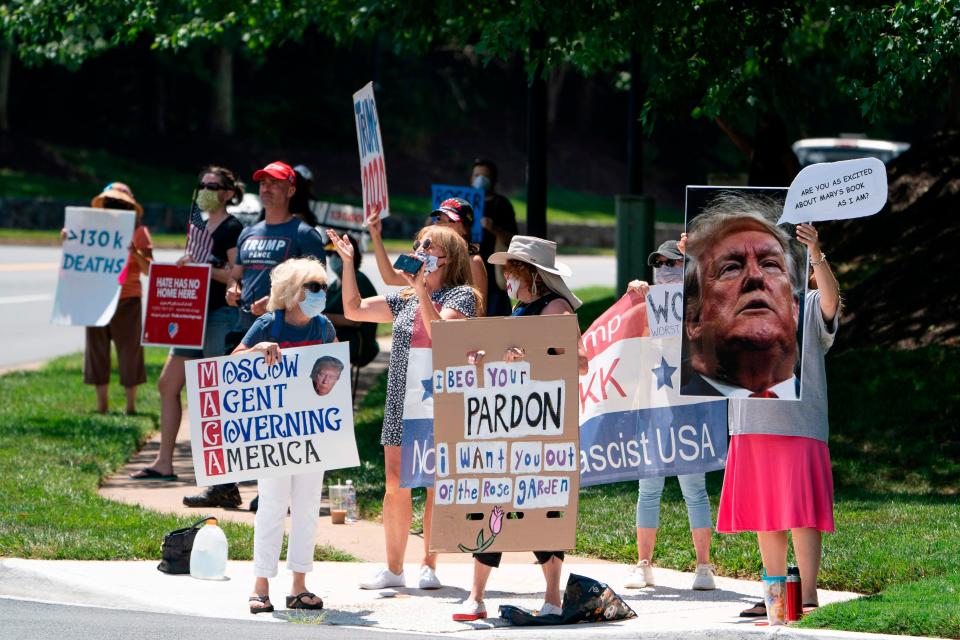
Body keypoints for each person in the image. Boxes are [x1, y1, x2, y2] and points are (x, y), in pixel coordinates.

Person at [326, 224, 479, 591]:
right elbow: (355, 308)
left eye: (429, 245)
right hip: (401, 399)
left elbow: (442, 332)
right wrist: (348, 264)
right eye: (418, 243)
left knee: (434, 484)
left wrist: (420, 290)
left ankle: (429, 563)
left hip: (443, 400)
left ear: (447, 258)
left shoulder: (463, 296)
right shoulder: (406, 299)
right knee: (395, 483)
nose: (421, 248)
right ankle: (394, 568)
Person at [453, 235, 589, 622]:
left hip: (542, 425)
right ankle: (475, 596)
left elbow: (579, 362)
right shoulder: (519, 309)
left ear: (532, 274)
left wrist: (531, 355)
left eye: (512, 271)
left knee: (541, 506)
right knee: (493, 502)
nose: (507, 279)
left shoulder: (556, 308)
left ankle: (552, 597)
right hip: (509, 421)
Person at [714, 220, 840, 617]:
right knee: (766, 511)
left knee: (802, 511)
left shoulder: (808, 303)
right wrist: (694, 260)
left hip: (799, 421)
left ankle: (807, 594)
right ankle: (775, 596)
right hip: (752, 421)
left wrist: (817, 253)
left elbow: (832, 303)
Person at [183, 160, 326, 509]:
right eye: (262, 183)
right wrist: (234, 287)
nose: (266, 189)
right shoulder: (249, 232)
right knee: (233, 413)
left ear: (291, 190)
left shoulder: (303, 234)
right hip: (243, 331)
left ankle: (272, 493)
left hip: (283, 337)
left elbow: (318, 286)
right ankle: (224, 487)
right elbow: (238, 273)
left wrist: (278, 303)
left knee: (277, 418)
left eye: (275, 184)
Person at [233, 257, 336, 614]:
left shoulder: (323, 328)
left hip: (312, 432)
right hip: (274, 435)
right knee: (272, 505)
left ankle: (299, 584)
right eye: (313, 287)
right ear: (292, 292)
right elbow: (234, 359)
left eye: (323, 287)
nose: (321, 294)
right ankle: (260, 585)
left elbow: (334, 367)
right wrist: (256, 351)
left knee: (307, 508)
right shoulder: (267, 324)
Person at [130, 166, 244, 480]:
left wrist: (206, 267)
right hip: (190, 315)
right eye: (202, 184)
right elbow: (198, 267)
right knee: (168, 384)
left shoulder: (233, 228)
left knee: (213, 392)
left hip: (219, 314)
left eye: (213, 185)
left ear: (228, 193)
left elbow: (236, 273)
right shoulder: (199, 226)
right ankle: (164, 463)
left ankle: (220, 471)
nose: (205, 190)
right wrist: (187, 266)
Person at [623, 239, 715, 591]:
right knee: (649, 487)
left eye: (673, 263)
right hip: (652, 402)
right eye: (659, 263)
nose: (664, 268)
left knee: (695, 488)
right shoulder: (647, 302)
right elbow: (626, 333)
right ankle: (643, 563)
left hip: (690, 404)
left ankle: (704, 567)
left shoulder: (700, 303)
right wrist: (635, 296)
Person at [681, 192, 805, 398]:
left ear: (795, 308)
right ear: (694, 320)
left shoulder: (821, 411)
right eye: (731, 268)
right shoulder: (666, 420)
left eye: (770, 264)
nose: (755, 276)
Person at [71, 182, 152, 414]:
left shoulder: (140, 233)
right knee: (96, 351)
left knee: (130, 352)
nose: (114, 207)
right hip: (96, 297)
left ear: (130, 207)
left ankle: (130, 407)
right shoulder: (91, 230)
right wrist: (69, 239)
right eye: (110, 203)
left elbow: (149, 270)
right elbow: (78, 259)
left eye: (120, 204)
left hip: (128, 299)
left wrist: (134, 252)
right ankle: (102, 406)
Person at [324, 233, 380, 369]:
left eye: (337, 254)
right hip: (336, 338)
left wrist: (324, 318)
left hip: (356, 341)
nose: (332, 258)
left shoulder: (359, 280)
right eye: (329, 254)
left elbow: (354, 320)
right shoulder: (333, 284)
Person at [472, 158, 517, 317]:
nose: (480, 179)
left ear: (494, 180)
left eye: (485, 176)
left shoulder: (502, 205)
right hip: (467, 273)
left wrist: (494, 229)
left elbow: (513, 239)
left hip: (494, 274)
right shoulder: (464, 203)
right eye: (477, 175)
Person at [431, 197, 488, 314]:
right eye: (438, 219)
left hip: (457, 330)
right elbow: (392, 278)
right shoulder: (431, 256)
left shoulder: (473, 262)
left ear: (464, 228)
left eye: (448, 220)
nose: (438, 224)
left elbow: (480, 312)